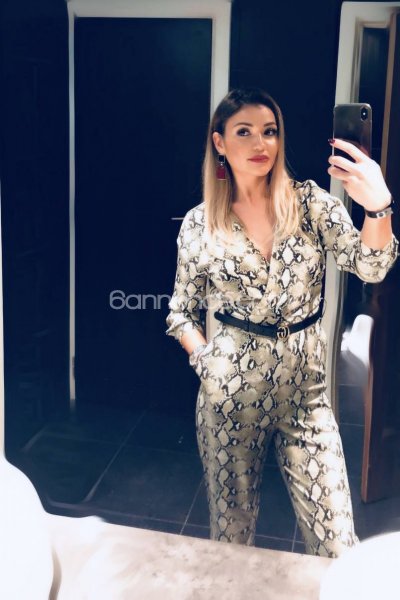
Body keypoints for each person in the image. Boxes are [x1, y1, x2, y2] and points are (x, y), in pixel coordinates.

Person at [165, 88, 398, 557]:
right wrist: (206, 361)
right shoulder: (199, 223)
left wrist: (378, 207)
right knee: (231, 540)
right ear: (219, 142)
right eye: (244, 131)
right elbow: (181, 311)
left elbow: (371, 266)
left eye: (269, 131)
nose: (261, 143)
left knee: (338, 545)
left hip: (306, 397)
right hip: (229, 397)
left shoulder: (310, 205)